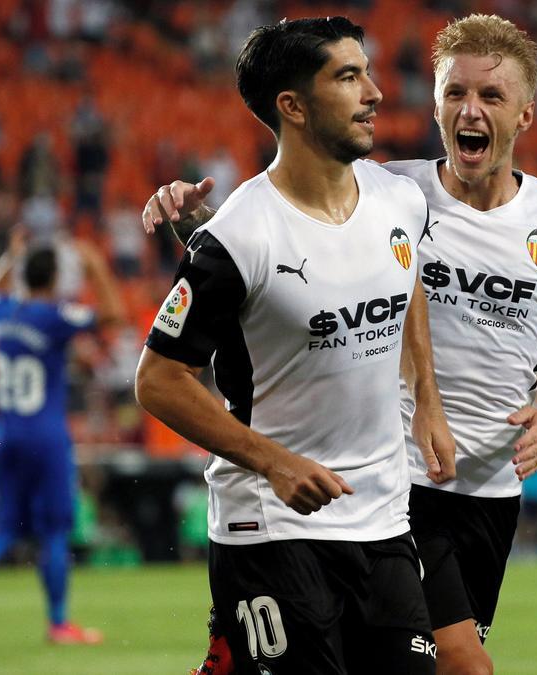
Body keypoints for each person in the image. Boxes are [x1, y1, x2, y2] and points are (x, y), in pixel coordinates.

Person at [143, 15, 537, 675]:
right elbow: (286, 242)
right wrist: (201, 229)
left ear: (526, 113)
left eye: (491, 97)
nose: (468, 110)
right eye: (454, 94)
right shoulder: (396, 186)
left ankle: (234, 653)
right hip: (384, 482)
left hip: (486, 485)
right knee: (464, 665)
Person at [135, 17, 455, 674]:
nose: (375, 92)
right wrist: (274, 462)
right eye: (348, 76)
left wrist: (427, 396)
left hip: (383, 519)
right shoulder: (237, 238)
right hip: (272, 526)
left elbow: (406, 274)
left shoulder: (401, 201)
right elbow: (158, 379)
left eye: (367, 72)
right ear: (293, 106)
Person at [0, 230, 122, 646]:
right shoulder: (56, 315)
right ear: (55, 279)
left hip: (6, 433)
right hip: (47, 435)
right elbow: (112, 318)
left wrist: (8, 259)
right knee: (54, 531)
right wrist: (94, 267)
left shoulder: (4, 312)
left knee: (3, 525)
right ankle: (58, 624)